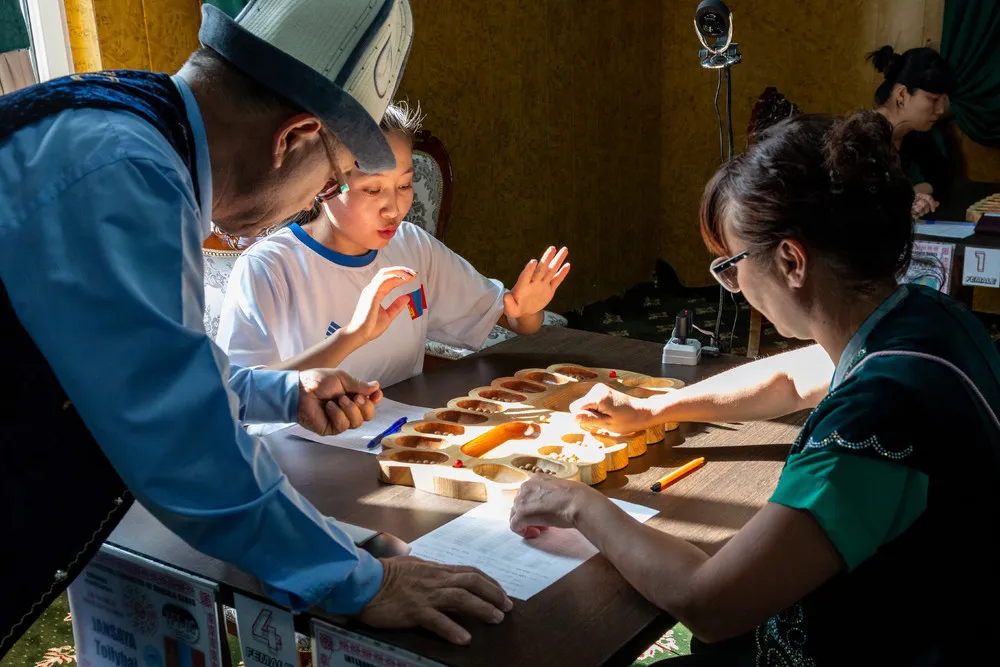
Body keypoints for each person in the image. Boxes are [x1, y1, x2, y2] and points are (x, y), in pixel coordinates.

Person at [0, 1, 510, 657]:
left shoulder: (126, 132)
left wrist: (283, 391)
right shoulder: (128, 174)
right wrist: (360, 581)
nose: (309, 204)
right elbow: (183, 441)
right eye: (330, 180)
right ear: (294, 136)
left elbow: (145, 365)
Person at [508, 111, 1000, 665]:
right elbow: (790, 377)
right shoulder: (926, 319)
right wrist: (653, 407)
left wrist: (579, 505)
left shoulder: (876, 420)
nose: (734, 286)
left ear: (791, 260)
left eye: (731, 264)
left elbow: (709, 604)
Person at [216, 103, 570, 387]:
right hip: (307, 456)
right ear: (323, 185)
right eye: (372, 190)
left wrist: (526, 310)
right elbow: (238, 394)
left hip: (403, 443)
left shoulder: (412, 247)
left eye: (404, 186)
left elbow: (516, 320)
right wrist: (350, 337)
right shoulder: (269, 269)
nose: (395, 208)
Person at [868, 45, 956, 220]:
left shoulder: (921, 131)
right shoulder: (861, 136)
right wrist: (903, 200)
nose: (940, 110)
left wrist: (915, 195)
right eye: (933, 99)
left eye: (944, 100)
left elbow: (942, 178)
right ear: (901, 95)